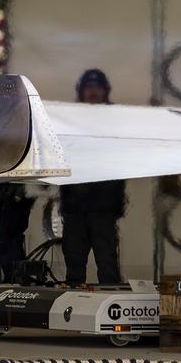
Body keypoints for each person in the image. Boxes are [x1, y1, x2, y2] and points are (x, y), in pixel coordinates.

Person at [59, 69, 126, 287]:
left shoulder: (116, 119)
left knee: (107, 264)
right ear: (81, 91)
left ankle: (111, 302)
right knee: (74, 262)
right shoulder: (70, 117)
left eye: (97, 88)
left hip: (103, 204)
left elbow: (120, 158)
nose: (93, 92)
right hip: (75, 204)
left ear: (105, 91)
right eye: (89, 87)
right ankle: (71, 307)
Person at [0, 183, 35, 284]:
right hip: (4, 193)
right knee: (7, 239)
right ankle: (14, 276)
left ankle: (13, 277)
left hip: (14, 193)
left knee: (8, 238)